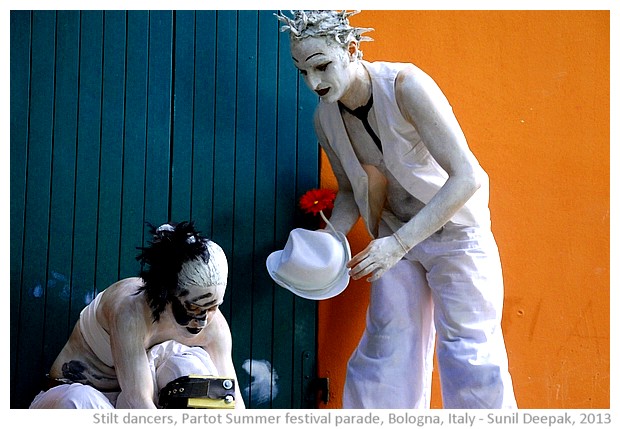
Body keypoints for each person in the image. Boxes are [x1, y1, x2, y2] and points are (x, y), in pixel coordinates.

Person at [277, 10, 517, 409]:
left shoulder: (406, 85)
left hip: (456, 233)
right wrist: (329, 241)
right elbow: (353, 191)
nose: (314, 82)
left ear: (351, 50)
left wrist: (399, 244)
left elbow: (467, 177)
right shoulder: (325, 118)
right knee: (387, 350)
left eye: (322, 66)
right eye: (302, 71)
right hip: (391, 236)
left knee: (471, 351)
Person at [30, 221, 245, 409]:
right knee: (81, 401)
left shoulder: (214, 325)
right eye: (194, 308)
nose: (203, 319)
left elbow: (231, 400)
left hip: (143, 403)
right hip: (83, 397)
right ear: (166, 294)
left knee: (193, 370)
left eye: (213, 306)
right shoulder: (130, 309)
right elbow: (137, 401)